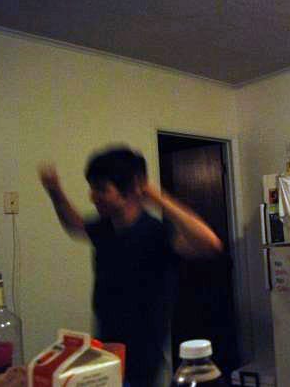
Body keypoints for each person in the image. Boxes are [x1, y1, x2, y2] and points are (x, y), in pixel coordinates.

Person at [39, 146, 223, 387]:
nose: (92, 196)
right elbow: (74, 225)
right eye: (92, 188)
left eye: (101, 189)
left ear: (131, 190)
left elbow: (210, 243)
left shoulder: (156, 232)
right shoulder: (105, 227)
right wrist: (55, 191)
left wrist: (155, 195)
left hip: (145, 359)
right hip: (105, 349)